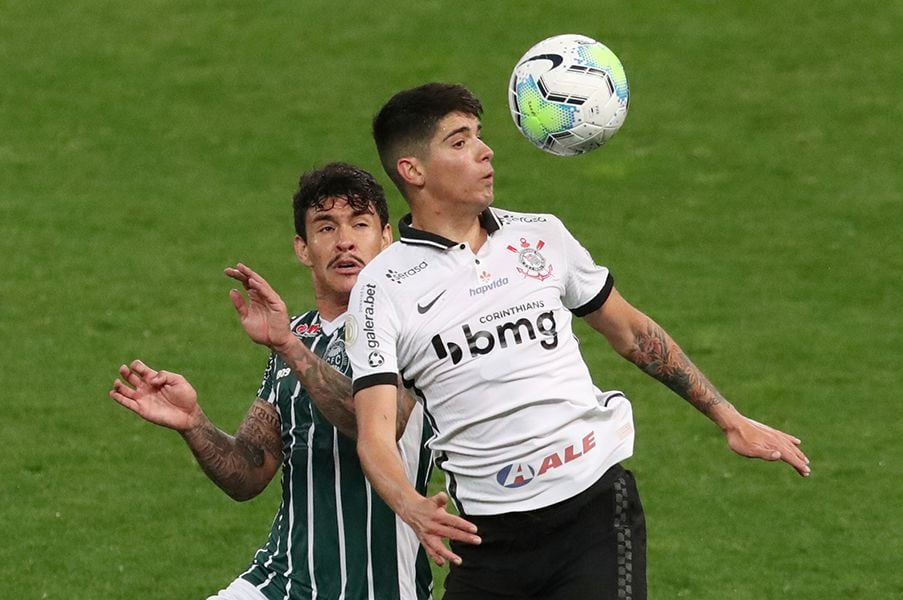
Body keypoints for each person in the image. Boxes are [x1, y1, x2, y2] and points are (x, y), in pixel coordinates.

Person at [344, 83, 811, 600]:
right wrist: (408, 504)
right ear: (413, 170)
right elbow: (375, 432)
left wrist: (730, 418)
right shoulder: (381, 288)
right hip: (486, 541)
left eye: (479, 135)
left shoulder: (541, 237)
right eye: (459, 142)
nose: (484, 150)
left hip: (592, 514)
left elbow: (633, 333)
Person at [110, 162, 434, 600]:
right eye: (325, 228)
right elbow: (249, 473)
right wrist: (194, 422)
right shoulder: (297, 334)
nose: (344, 241)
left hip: (381, 589)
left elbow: (379, 423)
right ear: (303, 248)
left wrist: (288, 347)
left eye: (360, 224)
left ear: (386, 239)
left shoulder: (414, 329)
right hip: (282, 583)